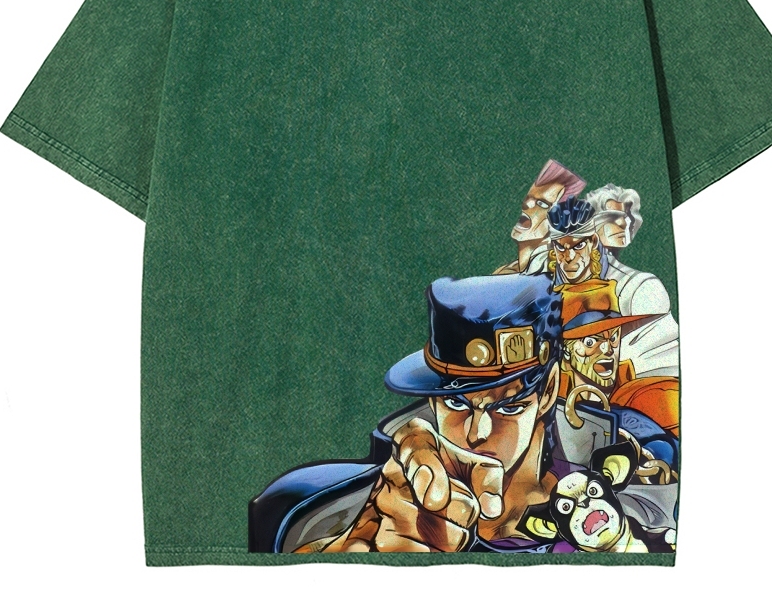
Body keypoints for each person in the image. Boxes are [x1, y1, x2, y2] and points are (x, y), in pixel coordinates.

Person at [248, 273, 678, 555]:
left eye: (508, 405)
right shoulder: (383, 501)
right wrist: (360, 552)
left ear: (547, 392)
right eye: (456, 403)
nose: (477, 433)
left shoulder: (617, 474)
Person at [548, 195, 679, 378]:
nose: (568, 257)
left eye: (578, 246)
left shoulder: (638, 289)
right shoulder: (543, 292)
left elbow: (659, 364)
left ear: (593, 241)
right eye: (561, 248)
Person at [558, 279, 679, 436]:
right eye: (591, 342)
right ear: (566, 350)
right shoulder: (550, 401)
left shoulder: (646, 396)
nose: (608, 349)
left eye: (613, 338)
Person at [493, 160, 585, 275]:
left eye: (542, 204)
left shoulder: (555, 275)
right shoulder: (503, 272)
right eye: (528, 198)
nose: (527, 204)